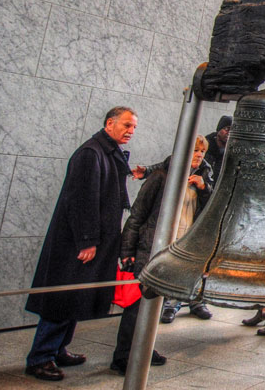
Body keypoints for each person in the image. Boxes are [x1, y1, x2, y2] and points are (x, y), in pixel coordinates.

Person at [24, 107, 137, 382]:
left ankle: (59, 348)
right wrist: (87, 241)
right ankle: (40, 357)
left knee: (75, 296)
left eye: (133, 127)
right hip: (79, 245)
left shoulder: (105, 151)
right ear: (109, 123)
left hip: (96, 242)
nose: (131, 131)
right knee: (62, 298)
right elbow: (81, 201)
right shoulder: (91, 153)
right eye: (126, 125)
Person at [112, 136, 214, 375]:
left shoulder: (201, 181)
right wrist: (127, 251)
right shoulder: (160, 177)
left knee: (157, 303)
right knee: (137, 305)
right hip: (152, 248)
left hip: (179, 249)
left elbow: (207, 214)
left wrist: (204, 189)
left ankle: (145, 347)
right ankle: (123, 355)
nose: (199, 155)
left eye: (202, 151)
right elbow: (137, 215)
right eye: (194, 150)